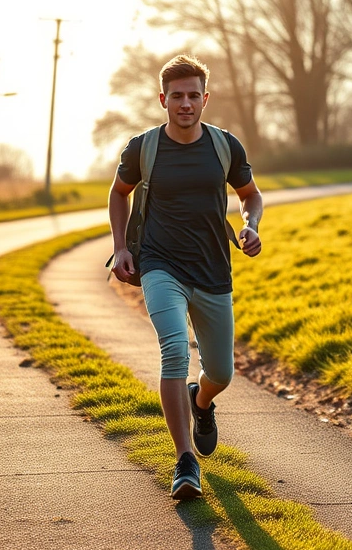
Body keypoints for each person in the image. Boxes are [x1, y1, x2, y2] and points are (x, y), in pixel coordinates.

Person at [107, 54, 263, 500]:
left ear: (205, 99)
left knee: (222, 373)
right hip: (161, 265)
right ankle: (185, 461)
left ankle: (202, 400)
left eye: (194, 95)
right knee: (174, 349)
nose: (186, 103)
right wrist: (121, 246)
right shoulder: (143, 148)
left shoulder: (224, 146)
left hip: (214, 269)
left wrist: (251, 225)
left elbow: (251, 196)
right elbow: (119, 194)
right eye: (177, 96)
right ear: (163, 99)